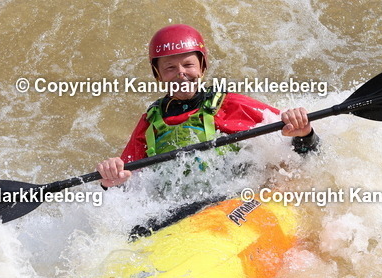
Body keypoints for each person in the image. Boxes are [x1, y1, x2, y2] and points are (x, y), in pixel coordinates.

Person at [96, 24, 319, 189]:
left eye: (188, 64)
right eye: (170, 68)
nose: (181, 73)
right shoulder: (150, 123)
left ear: (202, 67)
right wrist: (110, 181)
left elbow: (302, 156)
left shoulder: (229, 105)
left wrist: (304, 133)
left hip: (232, 202)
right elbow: (128, 186)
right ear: (158, 75)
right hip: (178, 214)